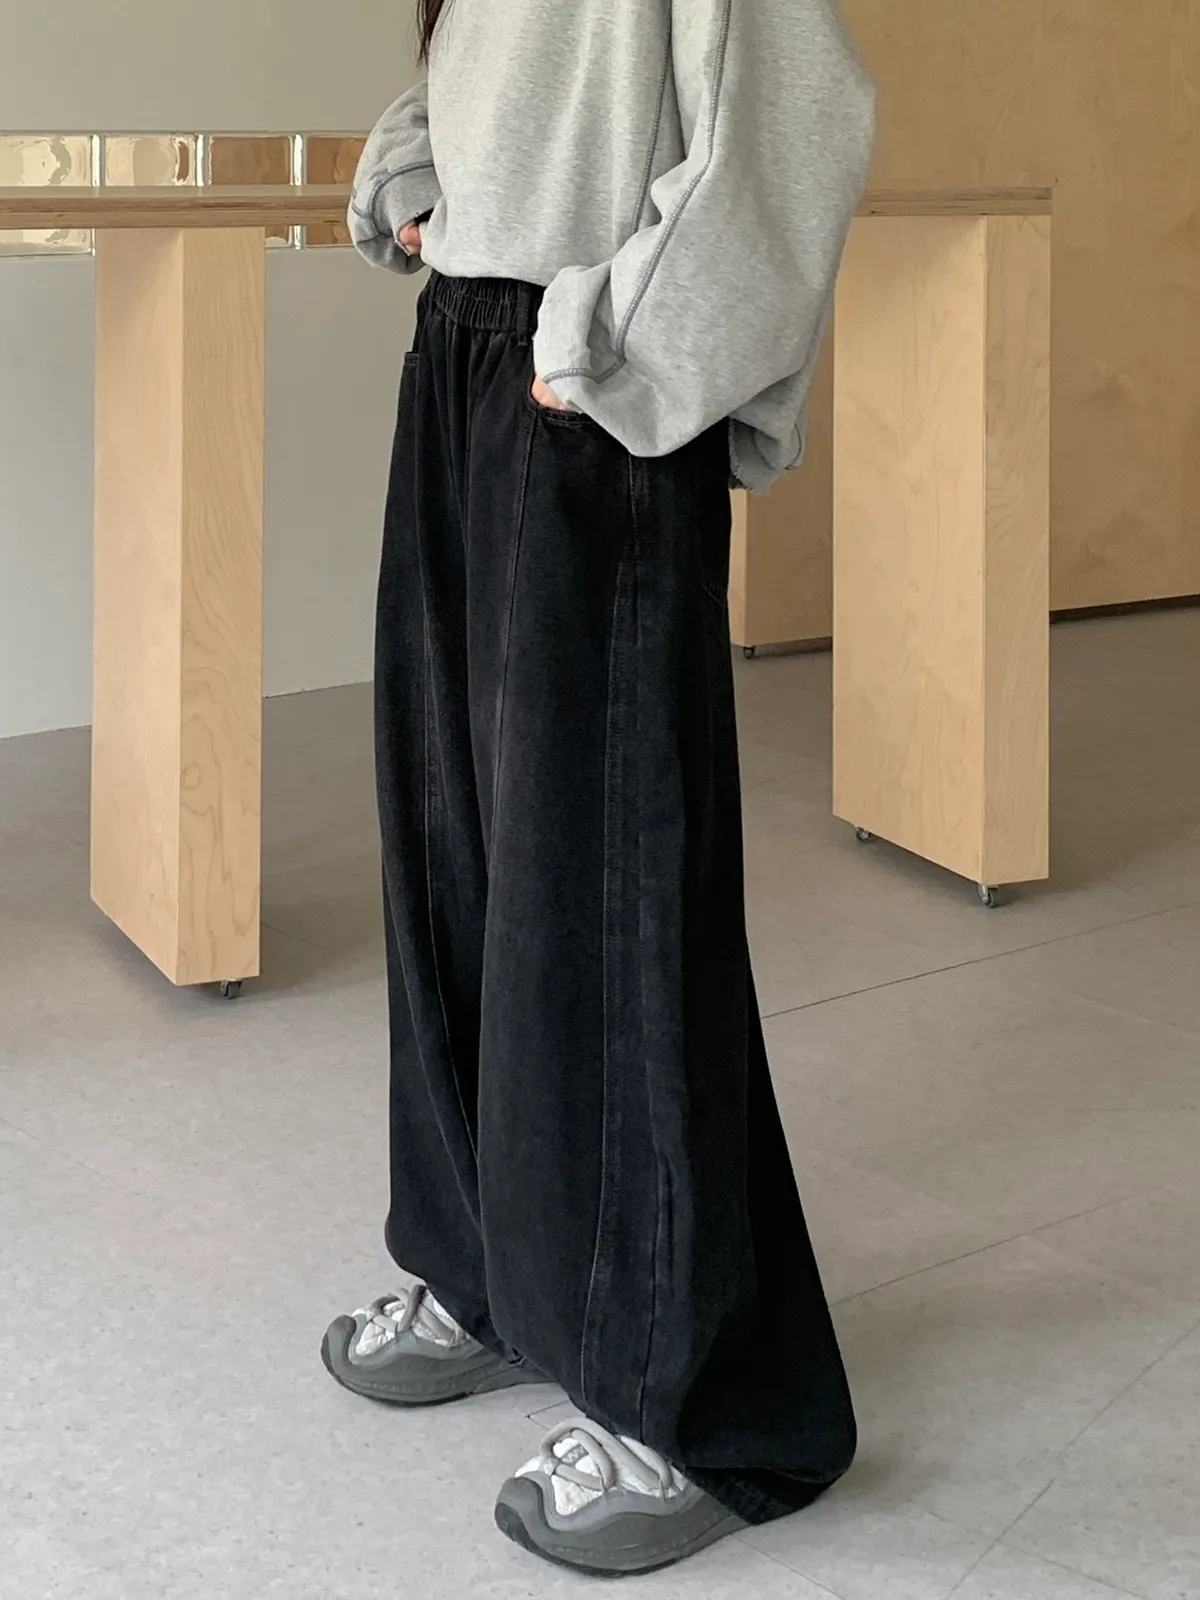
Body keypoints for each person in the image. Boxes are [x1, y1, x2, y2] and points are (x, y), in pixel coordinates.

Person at [321, 0, 875, 1576]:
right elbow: (474, 73)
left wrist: (611, 341)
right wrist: (415, 181)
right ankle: (495, 1273)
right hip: (467, 355)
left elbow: (794, 124)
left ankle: (701, 1402)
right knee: (454, 846)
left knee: (605, 885)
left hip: (589, 391)